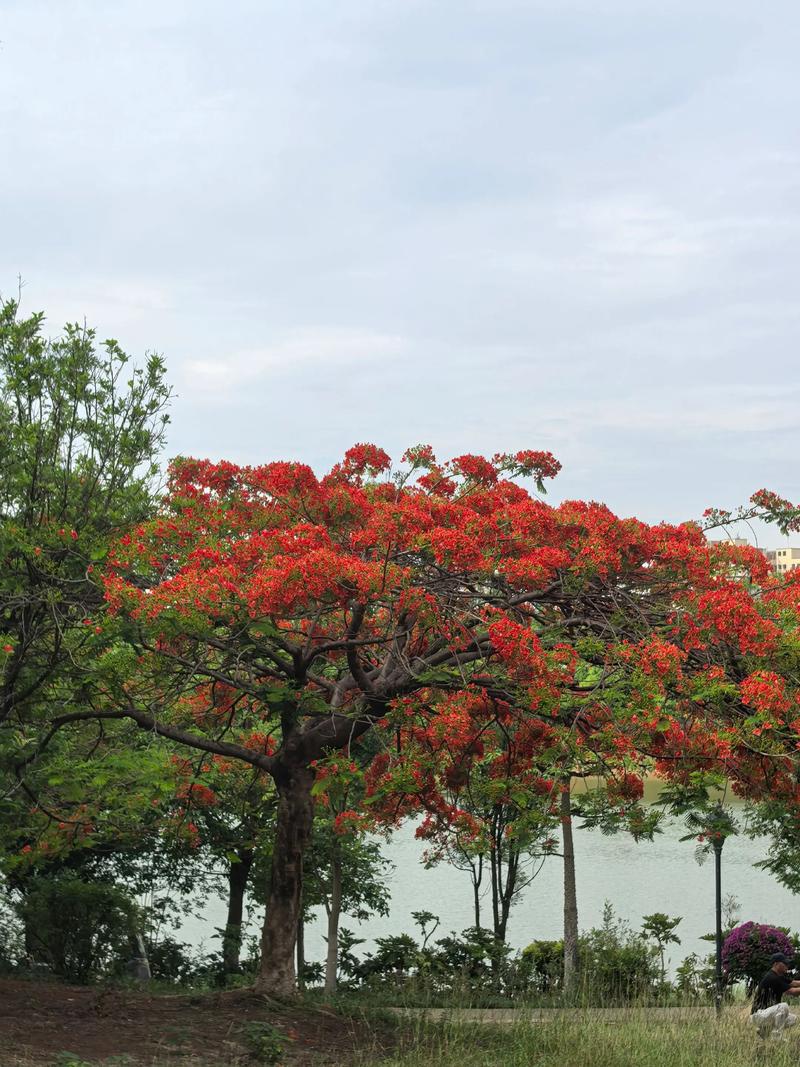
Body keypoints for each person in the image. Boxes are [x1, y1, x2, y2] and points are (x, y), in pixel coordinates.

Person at [750, 953, 800, 1040]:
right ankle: (776, 1038)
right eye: (784, 963)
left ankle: (763, 1032)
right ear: (776, 964)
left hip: (766, 1014)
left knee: (793, 1019)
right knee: (783, 1007)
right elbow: (793, 992)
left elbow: (794, 983)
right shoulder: (773, 978)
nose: (787, 966)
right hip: (758, 1015)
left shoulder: (778, 976)